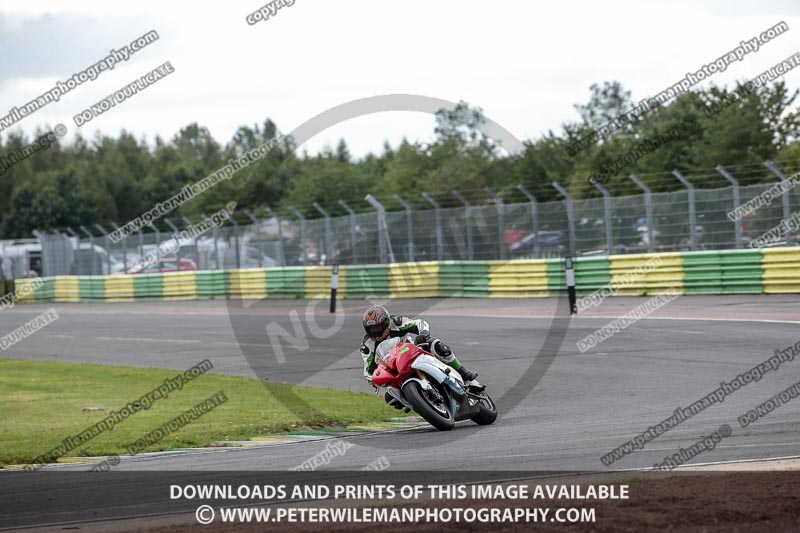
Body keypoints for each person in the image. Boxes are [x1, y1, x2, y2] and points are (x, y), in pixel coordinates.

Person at [360, 305, 480, 408]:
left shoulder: (396, 322)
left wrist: (423, 334)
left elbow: (419, 323)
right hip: (394, 371)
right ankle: (418, 404)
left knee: (436, 345)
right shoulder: (367, 345)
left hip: (412, 353)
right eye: (371, 329)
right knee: (390, 397)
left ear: (386, 323)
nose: (375, 332)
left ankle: (463, 372)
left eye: (377, 327)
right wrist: (377, 379)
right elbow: (367, 371)